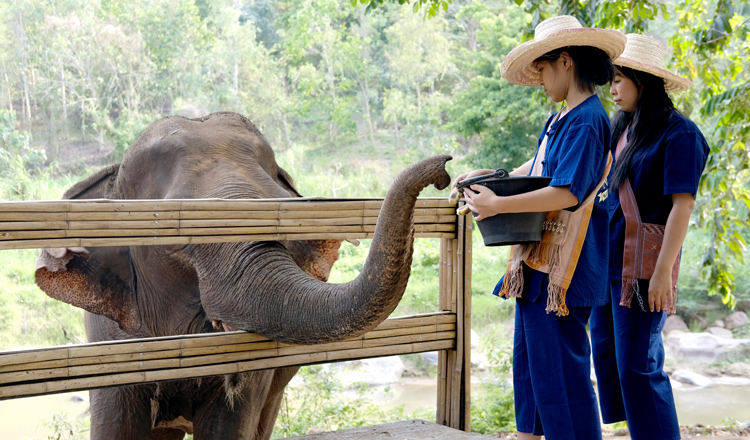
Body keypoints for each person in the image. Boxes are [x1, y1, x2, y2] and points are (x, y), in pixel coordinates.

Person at [454, 15, 626, 440]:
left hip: (566, 266)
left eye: (544, 70)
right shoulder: (563, 118)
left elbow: (566, 192)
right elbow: (538, 170)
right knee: (533, 365)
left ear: (565, 61)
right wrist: (492, 178)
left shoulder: (587, 120)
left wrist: (499, 204)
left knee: (562, 374)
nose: (541, 82)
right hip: (540, 261)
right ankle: (529, 434)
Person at [590, 34, 709, 440]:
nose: (613, 88)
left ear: (645, 80)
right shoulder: (621, 126)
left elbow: (683, 205)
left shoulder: (681, 135)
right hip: (608, 263)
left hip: (642, 269)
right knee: (611, 362)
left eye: (620, 79)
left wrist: (662, 275)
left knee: (638, 366)